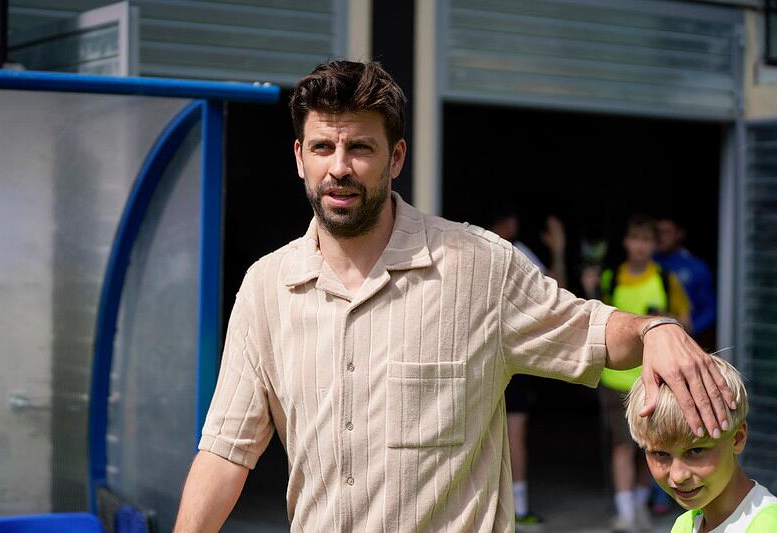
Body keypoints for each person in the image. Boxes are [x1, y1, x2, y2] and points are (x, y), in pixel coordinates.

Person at [173, 60, 734, 533]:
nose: (339, 167)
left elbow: (588, 331)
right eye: (323, 146)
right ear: (300, 157)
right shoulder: (265, 288)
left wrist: (656, 330)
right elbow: (227, 451)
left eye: (360, 148)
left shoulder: (477, 267)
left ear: (395, 158)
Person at [599, 214, 693, 532]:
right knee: (622, 447)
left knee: (651, 446)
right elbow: (599, 325)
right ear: (626, 243)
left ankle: (638, 506)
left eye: (646, 240)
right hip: (614, 380)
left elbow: (686, 323)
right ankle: (626, 514)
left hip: (655, 378)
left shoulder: (666, 279)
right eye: (635, 239)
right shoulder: (610, 278)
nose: (640, 246)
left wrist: (663, 319)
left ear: (655, 245)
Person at [626, 354, 777, 532]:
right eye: (660, 454)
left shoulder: (768, 525)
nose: (678, 476)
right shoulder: (684, 525)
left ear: (737, 438)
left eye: (696, 450)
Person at [491, 211, 567, 528]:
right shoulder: (475, 248)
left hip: (511, 357)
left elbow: (555, 294)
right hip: (482, 355)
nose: (515, 224)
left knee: (514, 432)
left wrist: (558, 251)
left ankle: (518, 508)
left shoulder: (518, 249)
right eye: (508, 217)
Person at [655, 216, 717, 349]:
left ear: (679, 234)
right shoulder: (648, 265)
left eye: (666, 232)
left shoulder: (696, 268)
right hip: (653, 337)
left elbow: (710, 308)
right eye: (657, 232)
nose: (660, 237)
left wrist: (691, 329)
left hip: (686, 341)